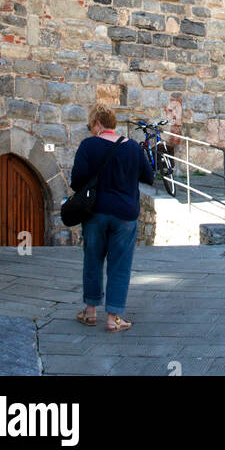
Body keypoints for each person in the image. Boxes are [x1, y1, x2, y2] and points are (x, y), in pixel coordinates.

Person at [71, 101, 154, 331]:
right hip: (125, 214)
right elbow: (148, 176)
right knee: (120, 264)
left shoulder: (88, 146)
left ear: (97, 124)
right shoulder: (134, 148)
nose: (91, 130)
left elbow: (76, 180)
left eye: (91, 125)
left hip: (95, 213)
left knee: (92, 260)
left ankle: (90, 312)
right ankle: (113, 318)